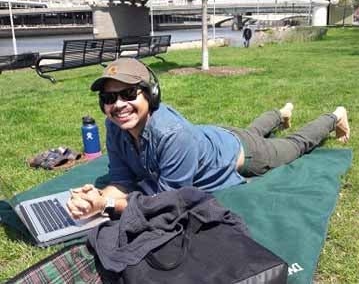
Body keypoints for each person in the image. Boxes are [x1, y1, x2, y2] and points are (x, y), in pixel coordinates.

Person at [67, 58, 350, 220]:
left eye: (129, 94)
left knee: (293, 146)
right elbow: (121, 178)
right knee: (251, 130)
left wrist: (107, 205)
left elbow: (167, 201)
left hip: (243, 154)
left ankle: (334, 116)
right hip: (213, 138)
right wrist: (99, 197)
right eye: (109, 98)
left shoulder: (173, 135)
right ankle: (281, 112)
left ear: (151, 95)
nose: (118, 105)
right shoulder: (115, 125)